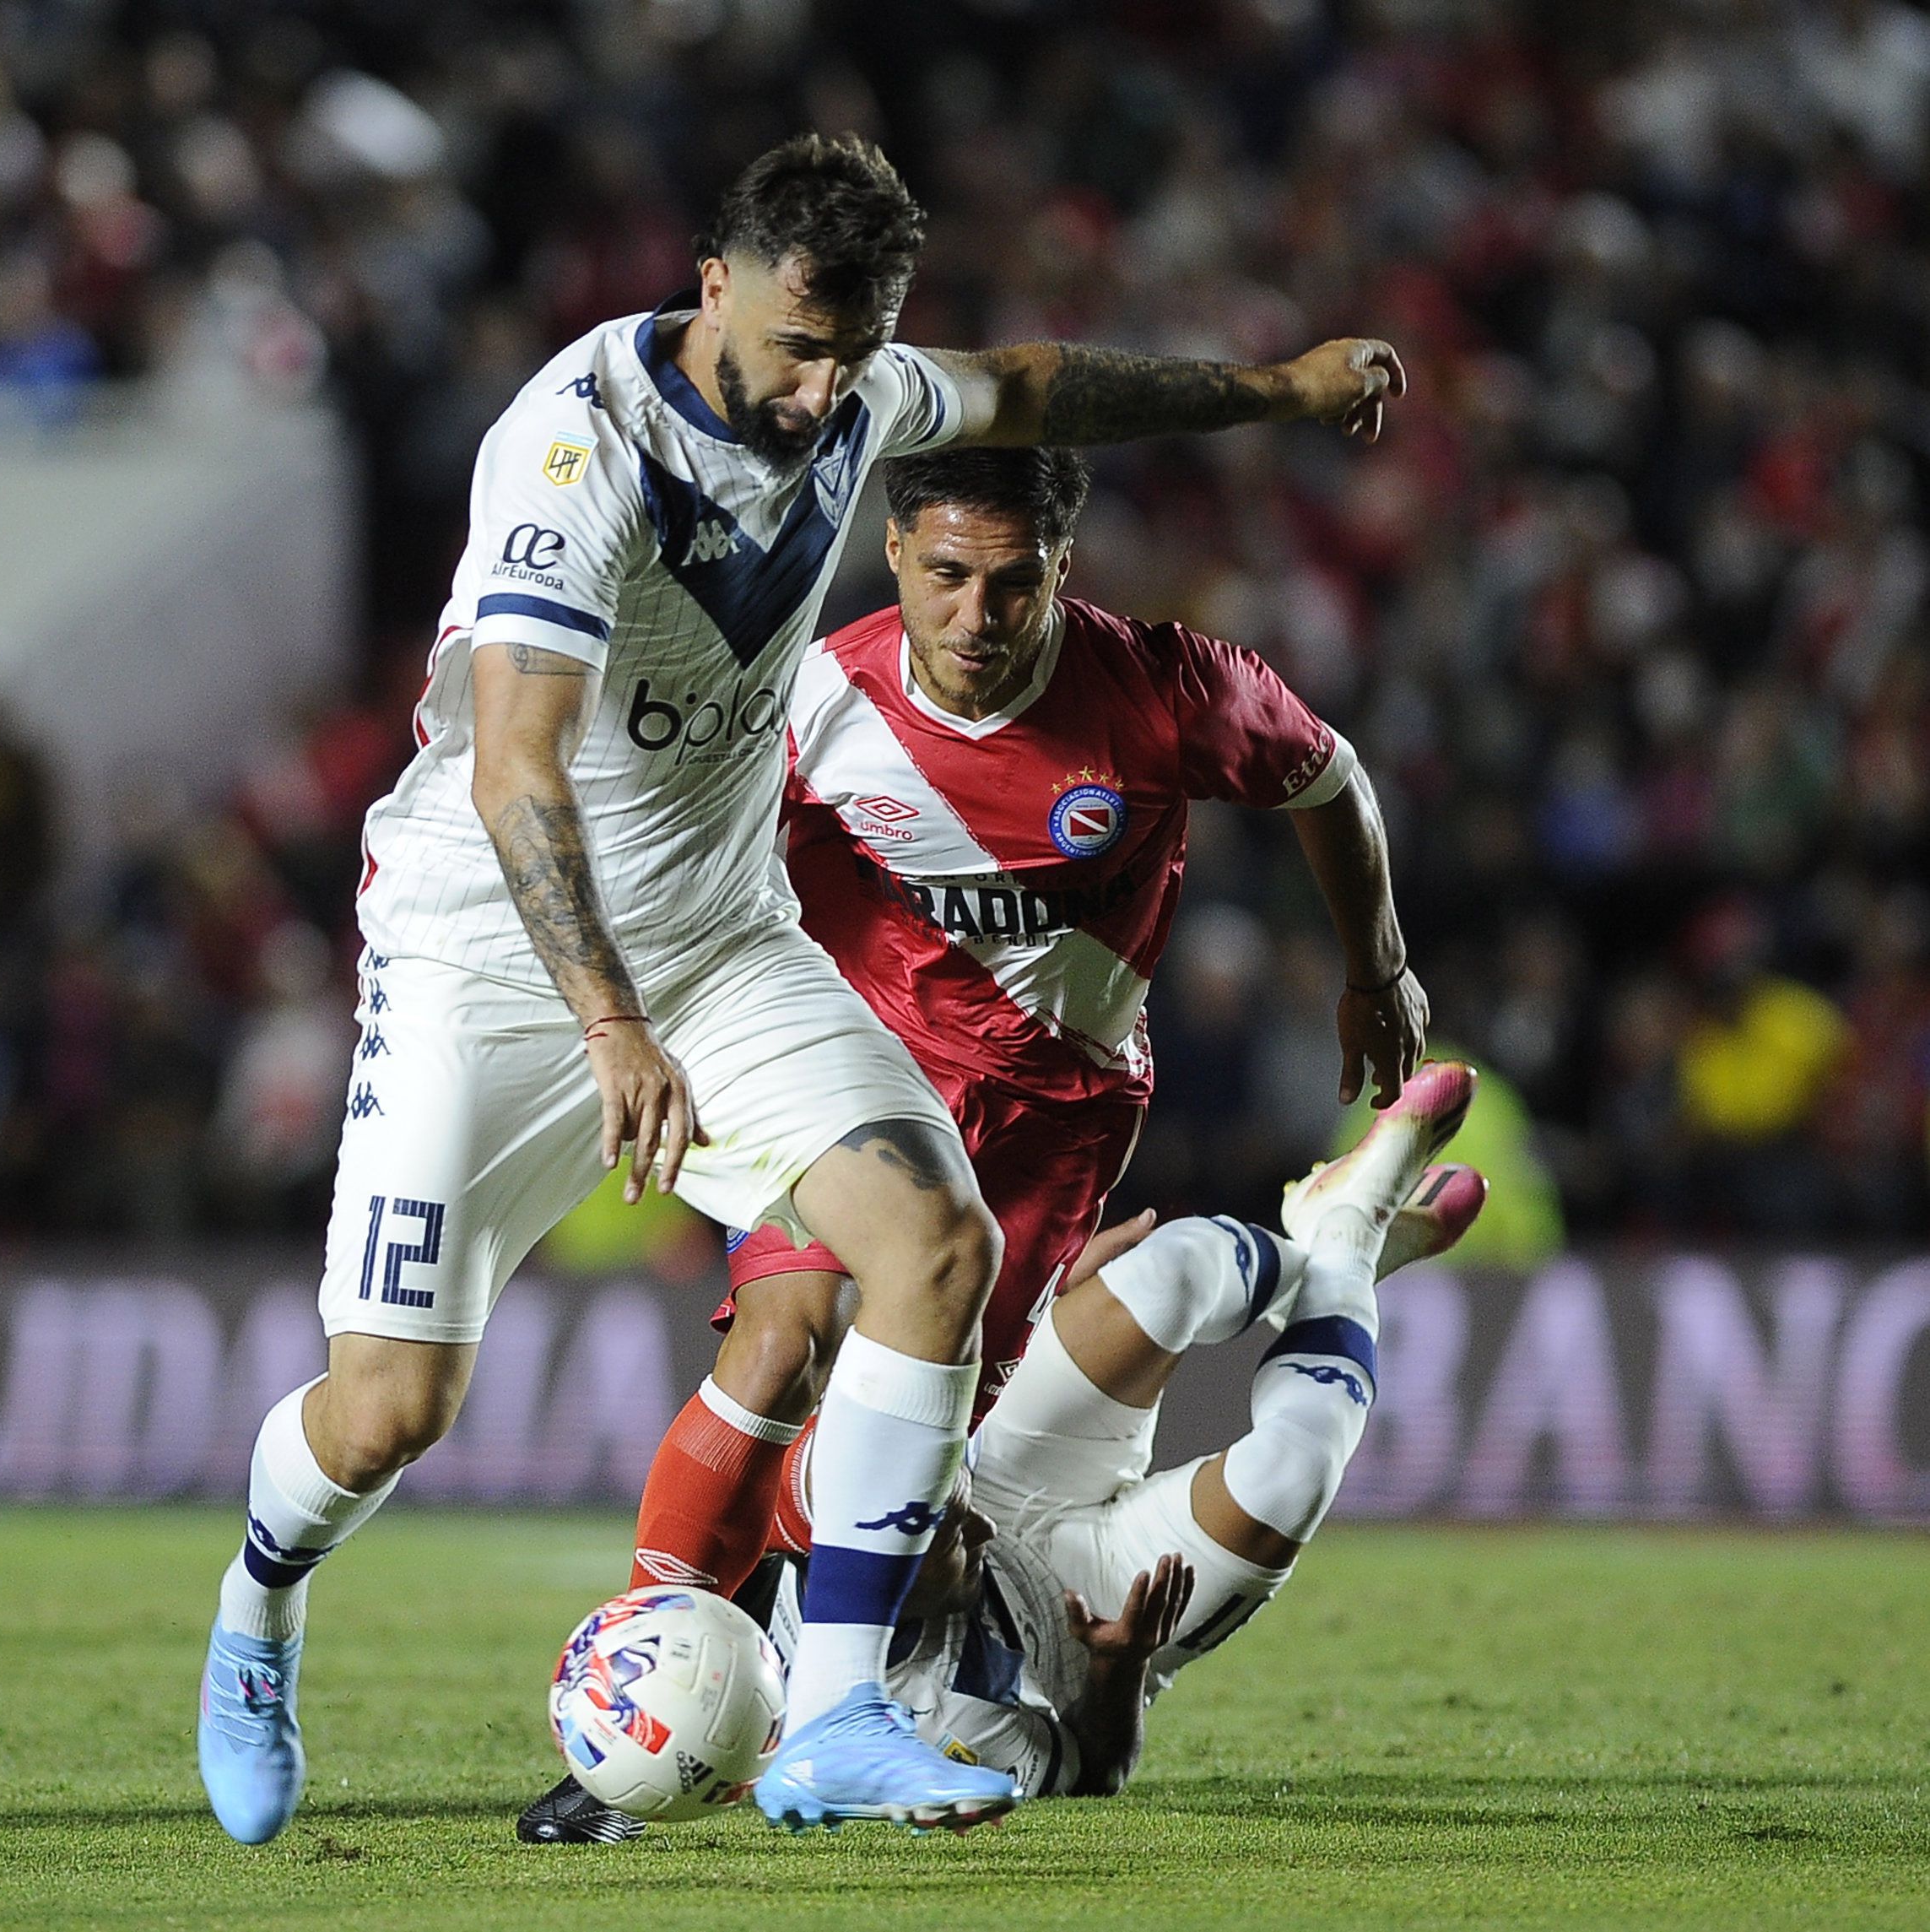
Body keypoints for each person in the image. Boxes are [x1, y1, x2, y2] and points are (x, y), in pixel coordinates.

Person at [197, 130, 1406, 1844]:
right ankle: (256, 1612)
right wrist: (607, 1024)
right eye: (793, 348)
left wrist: (1276, 388)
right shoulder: (572, 448)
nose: (822, 390)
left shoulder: (853, 396)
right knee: (391, 1406)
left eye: (855, 352)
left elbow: (1035, 386)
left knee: (933, 1246)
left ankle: (833, 1714)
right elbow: (518, 767)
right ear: (709, 291)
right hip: (490, 952)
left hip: (713, 940)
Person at [592, 443, 1428, 1660]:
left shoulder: (1162, 689)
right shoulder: (815, 702)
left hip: (1058, 1115)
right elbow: (688, 878)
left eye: (1013, 585)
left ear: (1061, 570)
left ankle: (798, 1670)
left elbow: (1331, 780)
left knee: (911, 1503)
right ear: (893, 553)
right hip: (860, 1078)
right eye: (945, 576)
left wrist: (1376, 965)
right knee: (783, 1342)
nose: (975, 616)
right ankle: (637, 1671)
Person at [528, 1066, 1482, 1840]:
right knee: (1289, 1474)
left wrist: (1031, 1303)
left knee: (1180, 1264)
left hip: (1010, 1459)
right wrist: (1112, 1681)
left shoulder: (796, 1525)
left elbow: (863, 1425)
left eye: (920, 1510)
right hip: (1083, 1613)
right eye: (923, 1524)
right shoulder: (952, 1743)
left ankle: (1319, 1253)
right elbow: (1096, 1772)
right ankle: (1347, 1242)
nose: (936, 1509)